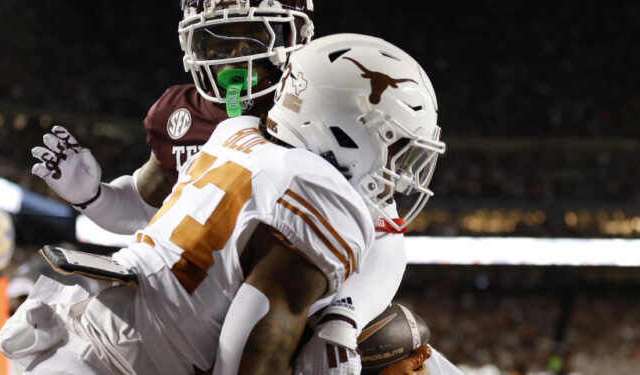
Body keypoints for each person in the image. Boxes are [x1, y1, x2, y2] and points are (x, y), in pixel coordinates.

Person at [29, 1, 456, 372]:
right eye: (218, 41)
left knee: (387, 337)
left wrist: (346, 315)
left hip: (137, 318)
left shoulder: (247, 127)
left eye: (253, 39)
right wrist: (96, 197)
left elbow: (386, 243)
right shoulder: (259, 133)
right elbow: (156, 209)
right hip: (190, 321)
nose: (235, 60)